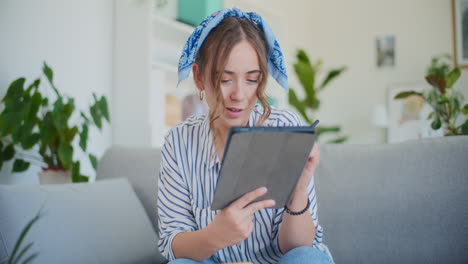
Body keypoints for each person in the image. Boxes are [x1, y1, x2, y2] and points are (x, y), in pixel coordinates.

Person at [157, 8, 333, 264]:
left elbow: (299, 248)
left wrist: (298, 191)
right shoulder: (179, 141)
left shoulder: (284, 127)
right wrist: (215, 236)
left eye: (252, 80)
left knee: (307, 259)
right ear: (199, 77)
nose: (239, 95)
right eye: (225, 79)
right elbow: (173, 243)